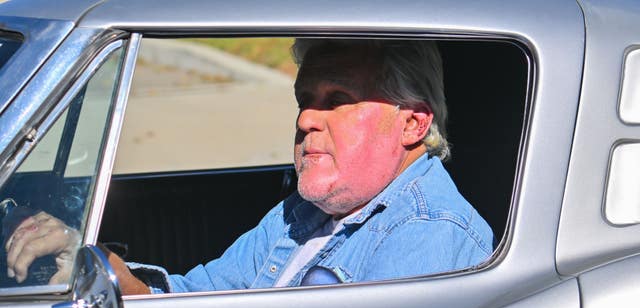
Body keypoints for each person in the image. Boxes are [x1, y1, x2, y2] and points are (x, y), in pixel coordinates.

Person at [4, 39, 494, 294]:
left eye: (336, 100)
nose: (305, 118)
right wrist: (93, 267)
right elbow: (200, 298)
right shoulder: (305, 213)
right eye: (305, 100)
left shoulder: (428, 234)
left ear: (412, 124)